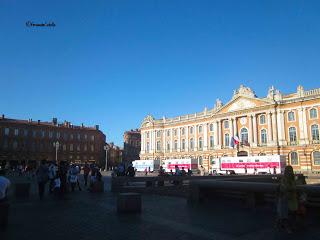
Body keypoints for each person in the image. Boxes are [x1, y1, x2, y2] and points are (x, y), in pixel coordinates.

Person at [276, 165, 298, 234]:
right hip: (286, 199)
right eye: (288, 171)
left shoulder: (292, 179)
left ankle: (287, 226)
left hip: (292, 199)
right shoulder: (284, 179)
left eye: (290, 170)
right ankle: (287, 227)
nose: (290, 172)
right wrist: (292, 188)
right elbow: (284, 188)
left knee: (291, 214)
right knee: (286, 214)